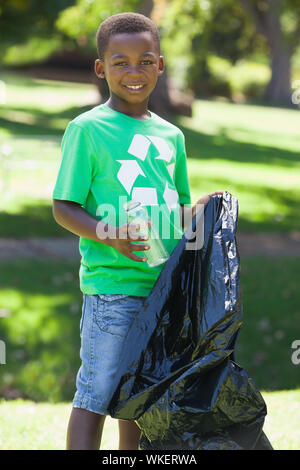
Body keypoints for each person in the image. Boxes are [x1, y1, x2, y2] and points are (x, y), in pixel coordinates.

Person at [52, 12, 224, 450]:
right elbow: (63, 206)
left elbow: (177, 209)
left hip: (162, 290)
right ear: (101, 68)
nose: (134, 72)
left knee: (141, 398)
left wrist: (204, 210)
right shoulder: (87, 129)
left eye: (145, 61)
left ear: (160, 66)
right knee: (97, 393)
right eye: (121, 62)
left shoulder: (172, 137)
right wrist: (106, 233)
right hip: (112, 290)